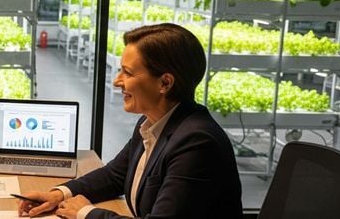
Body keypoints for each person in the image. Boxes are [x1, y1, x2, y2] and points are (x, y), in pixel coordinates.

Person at [17, 23, 242, 218]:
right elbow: (115, 175)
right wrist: (59, 194)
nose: (117, 81)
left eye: (128, 73)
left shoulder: (197, 143)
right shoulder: (153, 122)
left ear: (165, 83)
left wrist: (86, 213)